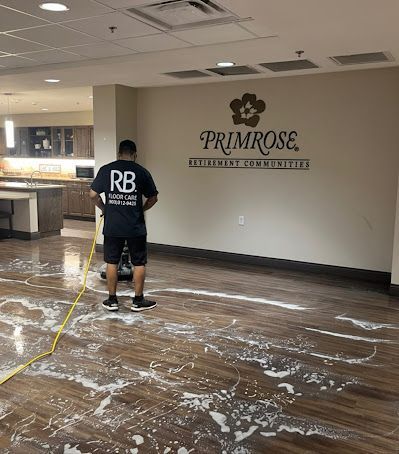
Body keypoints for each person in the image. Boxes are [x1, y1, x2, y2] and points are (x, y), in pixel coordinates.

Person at [90, 139, 159, 312]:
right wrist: (141, 209)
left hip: (113, 225)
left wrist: (105, 208)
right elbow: (153, 198)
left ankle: (112, 300)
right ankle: (138, 301)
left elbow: (92, 194)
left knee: (111, 262)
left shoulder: (106, 170)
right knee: (139, 262)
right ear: (135, 154)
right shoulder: (142, 172)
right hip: (135, 226)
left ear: (118, 153)